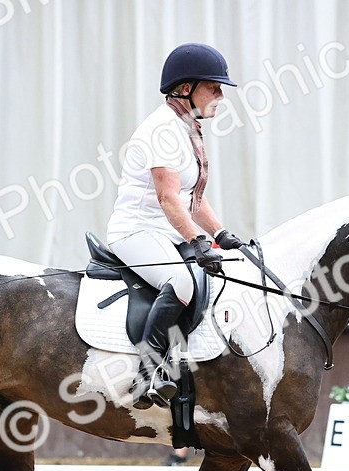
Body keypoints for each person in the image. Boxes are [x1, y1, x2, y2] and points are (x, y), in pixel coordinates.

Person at [107, 43, 247, 409]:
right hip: (136, 231)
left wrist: (221, 235)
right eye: (214, 88)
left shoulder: (187, 128)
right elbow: (169, 198)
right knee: (181, 281)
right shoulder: (162, 131)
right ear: (186, 89)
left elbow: (192, 200)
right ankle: (147, 372)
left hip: (167, 232)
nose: (220, 96)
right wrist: (198, 240)